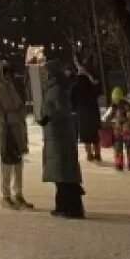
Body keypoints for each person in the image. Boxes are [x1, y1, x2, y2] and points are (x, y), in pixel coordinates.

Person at [38, 59, 84, 218]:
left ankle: (69, 207)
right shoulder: (54, 88)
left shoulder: (56, 89)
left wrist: (48, 118)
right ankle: (65, 206)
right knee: (62, 174)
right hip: (55, 135)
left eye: (46, 71)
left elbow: (62, 109)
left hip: (58, 136)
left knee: (63, 173)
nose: (44, 74)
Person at [0, 60, 32, 209]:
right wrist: (14, 116)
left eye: (7, 72)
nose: (7, 75)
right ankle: (5, 196)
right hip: (3, 132)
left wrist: (19, 114)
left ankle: (18, 194)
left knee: (18, 165)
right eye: (4, 72)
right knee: (4, 167)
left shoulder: (10, 88)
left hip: (16, 131)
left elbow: (20, 106)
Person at [70, 65, 102, 162]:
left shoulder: (75, 87)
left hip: (82, 114)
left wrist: (74, 109)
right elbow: (98, 92)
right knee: (95, 135)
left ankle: (89, 154)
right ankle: (97, 154)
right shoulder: (92, 85)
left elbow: (72, 100)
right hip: (93, 112)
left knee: (86, 136)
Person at [102, 87, 130, 171]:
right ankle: (121, 163)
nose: (116, 100)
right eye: (115, 99)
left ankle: (129, 163)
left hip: (125, 129)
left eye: (117, 99)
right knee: (120, 147)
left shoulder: (125, 105)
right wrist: (106, 120)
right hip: (119, 130)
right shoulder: (115, 106)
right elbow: (111, 115)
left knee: (127, 147)